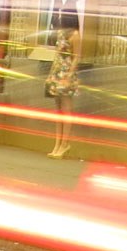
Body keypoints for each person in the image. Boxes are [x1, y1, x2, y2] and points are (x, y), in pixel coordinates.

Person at [45, 14, 82, 159]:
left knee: (66, 110)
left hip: (66, 75)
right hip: (57, 72)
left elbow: (76, 57)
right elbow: (57, 55)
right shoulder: (61, 33)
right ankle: (57, 144)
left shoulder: (75, 35)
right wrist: (51, 74)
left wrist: (69, 75)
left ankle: (64, 144)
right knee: (58, 111)